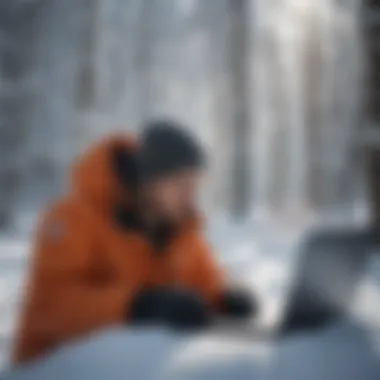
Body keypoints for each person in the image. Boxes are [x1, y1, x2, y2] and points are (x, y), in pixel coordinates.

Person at [12, 120, 256, 364]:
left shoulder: (180, 230)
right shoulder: (71, 220)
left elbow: (204, 281)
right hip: (51, 369)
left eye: (194, 185)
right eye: (180, 184)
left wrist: (224, 299)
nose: (190, 197)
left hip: (132, 366)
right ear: (148, 181)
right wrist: (136, 307)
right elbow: (50, 307)